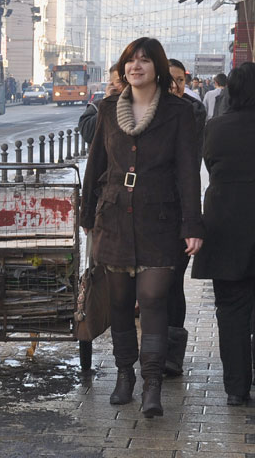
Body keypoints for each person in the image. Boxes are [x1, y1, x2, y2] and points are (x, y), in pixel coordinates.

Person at [80, 37, 203, 418]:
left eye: (145, 61)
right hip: (114, 219)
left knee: (152, 299)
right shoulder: (107, 110)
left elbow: (188, 172)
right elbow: (96, 165)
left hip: (160, 220)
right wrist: (87, 216)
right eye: (131, 61)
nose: (136, 67)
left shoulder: (179, 112)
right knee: (119, 302)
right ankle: (124, 376)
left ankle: (152, 384)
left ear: (158, 68)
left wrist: (192, 224)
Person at [191, 62, 255, 406]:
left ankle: (236, 389)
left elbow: (210, 166)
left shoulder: (215, 127)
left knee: (230, 309)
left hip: (225, 223)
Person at [158, 59, 206, 377]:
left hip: (179, 211)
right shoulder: (143, 110)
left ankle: (172, 354)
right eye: (170, 79)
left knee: (173, 283)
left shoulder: (192, 111)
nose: (175, 85)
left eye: (180, 80)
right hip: (150, 214)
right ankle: (151, 351)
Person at [78, 63, 125, 145]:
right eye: (120, 82)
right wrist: (108, 103)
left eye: (126, 80)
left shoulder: (140, 105)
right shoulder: (96, 107)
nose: (125, 85)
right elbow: (88, 134)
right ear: (111, 84)